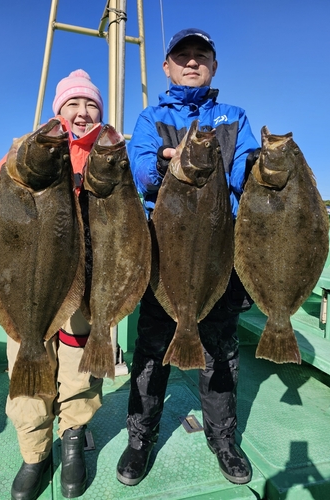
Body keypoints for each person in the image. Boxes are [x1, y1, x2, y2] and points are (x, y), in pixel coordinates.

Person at [116, 28, 260, 487]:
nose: (192, 62)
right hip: (167, 255)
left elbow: (242, 172)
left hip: (218, 253)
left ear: (213, 66)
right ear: (168, 67)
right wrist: (162, 161)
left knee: (221, 351)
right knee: (151, 351)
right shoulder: (150, 117)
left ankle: (223, 439)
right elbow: (141, 171)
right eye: (183, 56)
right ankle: (140, 439)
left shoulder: (233, 117)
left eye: (201, 56)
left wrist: (256, 163)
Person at [0, 69, 105, 500]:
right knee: (26, 360)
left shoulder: (107, 154)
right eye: (73, 104)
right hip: (27, 281)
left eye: (91, 104)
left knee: (79, 370)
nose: (83, 112)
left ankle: (72, 438)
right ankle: (35, 452)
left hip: (83, 285)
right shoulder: (28, 146)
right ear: (58, 111)